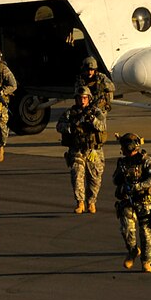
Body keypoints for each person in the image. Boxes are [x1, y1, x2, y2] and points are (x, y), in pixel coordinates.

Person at [113, 133, 151, 273]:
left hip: (144, 201)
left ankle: (146, 261)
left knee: (146, 234)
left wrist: (139, 186)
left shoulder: (146, 161)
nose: (122, 150)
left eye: (123, 147)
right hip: (128, 201)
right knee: (126, 229)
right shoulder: (122, 163)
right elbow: (115, 180)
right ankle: (132, 250)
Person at [55, 86, 107, 214]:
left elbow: (102, 126)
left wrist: (92, 119)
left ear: (89, 98)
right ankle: (80, 202)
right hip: (77, 149)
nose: (82, 101)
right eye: (79, 98)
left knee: (94, 178)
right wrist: (71, 127)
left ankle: (91, 202)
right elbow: (59, 126)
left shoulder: (96, 112)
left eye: (84, 98)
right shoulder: (70, 113)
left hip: (93, 150)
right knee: (77, 174)